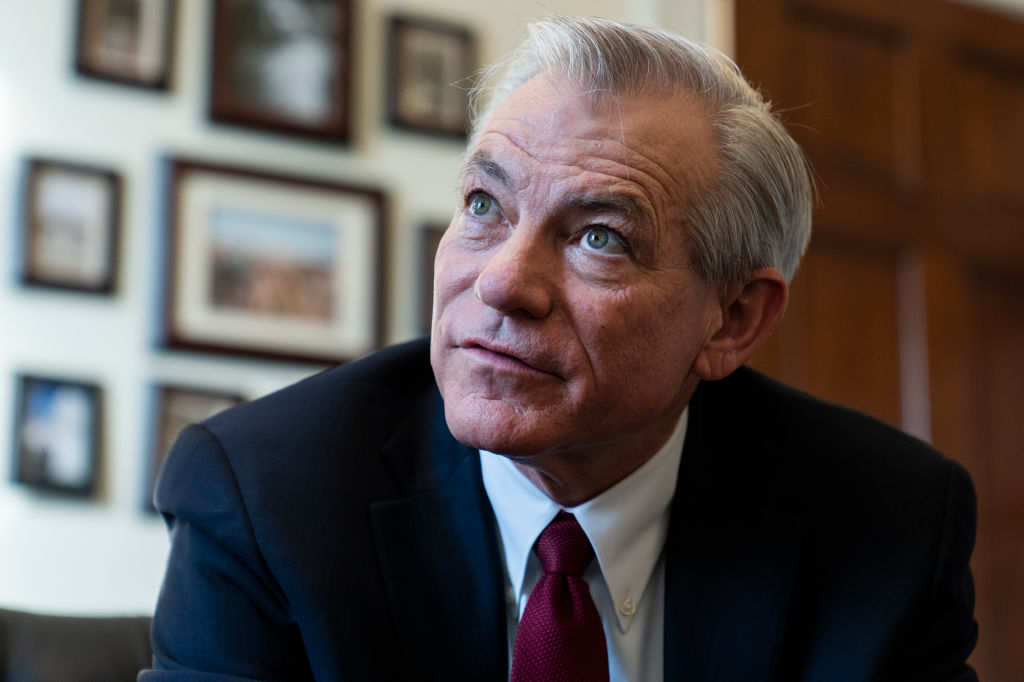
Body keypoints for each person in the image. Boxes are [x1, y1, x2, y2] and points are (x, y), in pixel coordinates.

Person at [140, 16, 978, 682]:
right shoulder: (264, 498)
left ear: (731, 320)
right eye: (484, 204)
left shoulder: (888, 525)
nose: (503, 282)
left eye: (600, 237)